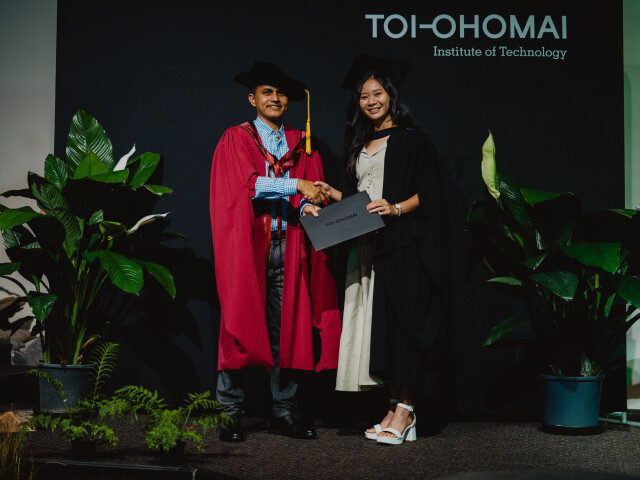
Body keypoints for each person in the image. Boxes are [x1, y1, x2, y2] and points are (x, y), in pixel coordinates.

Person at [311, 55, 451, 445]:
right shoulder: (357, 143)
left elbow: (431, 193)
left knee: (403, 329)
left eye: (377, 93)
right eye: (363, 96)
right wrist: (329, 194)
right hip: (367, 248)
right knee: (382, 332)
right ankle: (392, 406)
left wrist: (396, 208)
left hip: (402, 246)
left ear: (391, 96)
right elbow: (360, 200)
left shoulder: (413, 140)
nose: (371, 101)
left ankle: (407, 410)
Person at [209, 61, 341, 442]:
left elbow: (308, 193)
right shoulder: (237, 138)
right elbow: (248, 184)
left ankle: (284, 410)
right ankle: (229, 412)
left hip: (290, 244)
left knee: (288, 330)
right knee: (237, 326)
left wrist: (308, 204)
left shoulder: (301, 142)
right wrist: (296, 185)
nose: (275, 98)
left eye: (281, 93)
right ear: (252, 99)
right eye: (267, 91)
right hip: (249, 247)